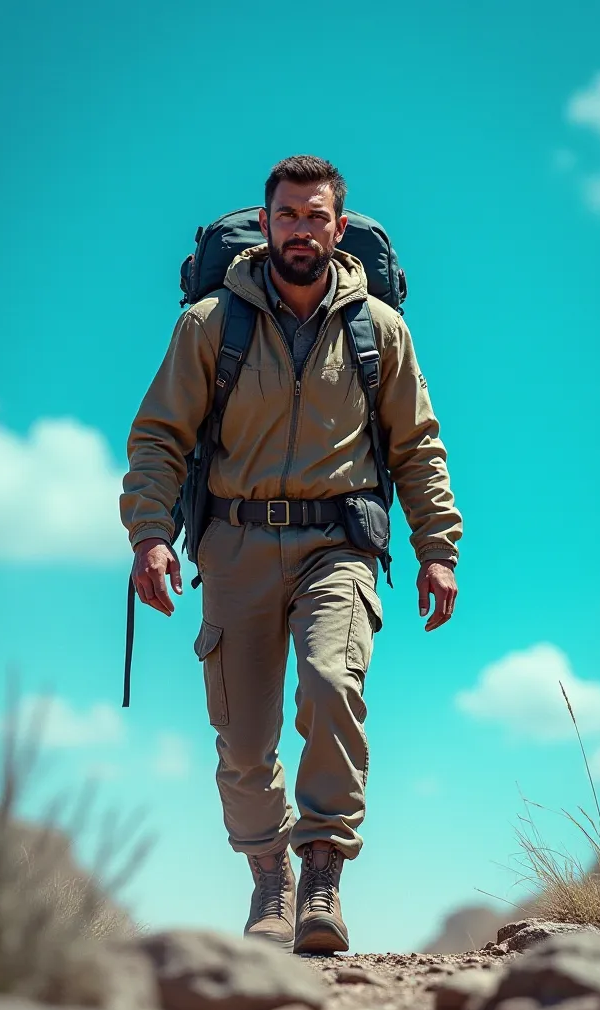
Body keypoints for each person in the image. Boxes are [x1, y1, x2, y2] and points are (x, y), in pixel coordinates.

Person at [120, 155, 463, 954]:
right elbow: (160, 437)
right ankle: (269, 877)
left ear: (339, 228)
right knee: (242, 741)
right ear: (266, 222)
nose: (300, 230)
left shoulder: (378, 329)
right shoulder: (212, 322)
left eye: (316, 217)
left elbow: (418, 447)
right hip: (234, 544)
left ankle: (321, 876)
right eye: (287, 215)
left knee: (332, 680)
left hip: (337, 542)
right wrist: (149, 536)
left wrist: (436, 549)